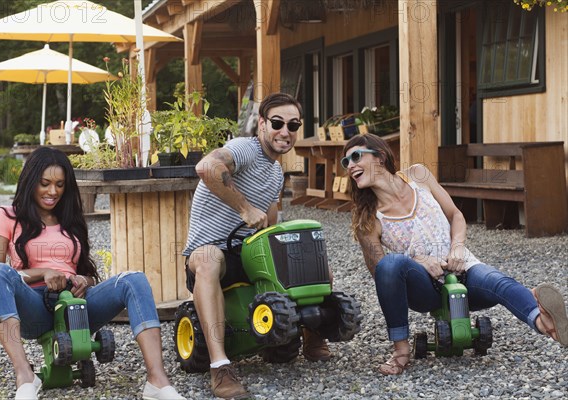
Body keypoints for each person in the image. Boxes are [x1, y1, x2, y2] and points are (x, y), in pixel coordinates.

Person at [341, 133, 568, 375]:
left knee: (496, 280)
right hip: (425, 288)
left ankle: (543, 322)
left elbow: (455, 215)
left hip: (463, 268)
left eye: (356, 156)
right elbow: (381, 272)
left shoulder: (418, 176)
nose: (350, 165)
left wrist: (457, 246)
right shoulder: (368, 218)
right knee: (392, 262)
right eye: (346, 162)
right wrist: (415, 260)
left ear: (381, 156)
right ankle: (400, 351)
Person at [0, 147, 185, 400]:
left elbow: (87, 273)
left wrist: (83, 280)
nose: (53, 192)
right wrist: (44, 272)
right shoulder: (6, 216)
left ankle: (158, 381)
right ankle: (25, 376)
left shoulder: (70, 218)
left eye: (59, 184)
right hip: (34, 307)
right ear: (30, 181)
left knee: (134, 280)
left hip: (76, 306)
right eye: (45, 184)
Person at [183, 92, 332, 399]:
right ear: (262, 124)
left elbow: (272, 221)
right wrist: (245, 209)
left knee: (313, 261)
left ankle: (312, 336)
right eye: (277, 122)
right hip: (209, 252)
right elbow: (207, 168)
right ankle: (219, 366)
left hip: (247, 253)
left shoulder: (276, 172)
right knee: (210, 258)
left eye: (293, 125)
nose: (285, 131)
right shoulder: (245, 149)